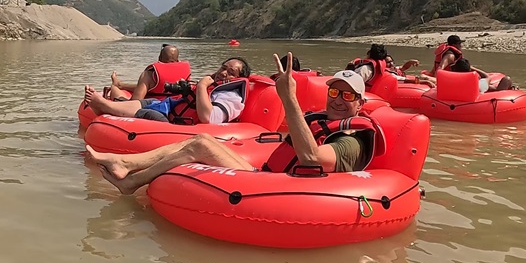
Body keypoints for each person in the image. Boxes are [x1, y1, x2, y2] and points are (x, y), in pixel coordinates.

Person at [85, 53, 371, 195]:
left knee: (199, 141)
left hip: (283, 188)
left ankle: (131, 179)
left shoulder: (352, 139)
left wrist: (288, 98)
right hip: (269, 174)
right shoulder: (321, 120)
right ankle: (126, 164)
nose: (338, 100)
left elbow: (311, 157)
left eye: (348, 95)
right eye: (334, 92)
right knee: (201, 142)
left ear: (360, 103)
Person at [84, 57, 250, 125]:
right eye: (223, 67)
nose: (223, 73)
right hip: (171, 107)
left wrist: (201, 86)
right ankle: (105, 106)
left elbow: (209, 118)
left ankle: (105, 106)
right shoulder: (214, 84)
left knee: (146, 111)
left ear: (239, 78)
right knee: (147, 103)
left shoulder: (232, 97)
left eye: (231, 72)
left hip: (176, 125)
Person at [107, 44, 191, 100]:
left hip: (155, 107)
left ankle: (117, 85)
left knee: (114, 89)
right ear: (177, 59)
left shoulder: (150, 73)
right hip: (178, 107)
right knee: (146, 86)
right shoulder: (185, 72)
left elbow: (135, 101)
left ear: (159, 58)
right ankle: (120, 84)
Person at [450, 58, 516, 92]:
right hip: (482, 92)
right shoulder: (478, 84)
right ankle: (510, 89)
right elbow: (487, 76)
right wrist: (471, 67)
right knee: (506, 79)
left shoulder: (453, 83)